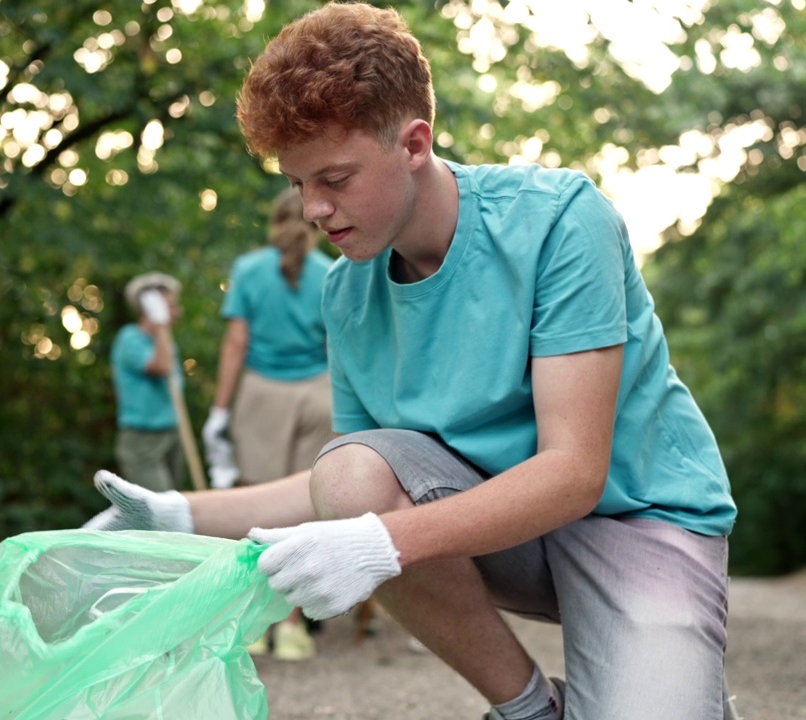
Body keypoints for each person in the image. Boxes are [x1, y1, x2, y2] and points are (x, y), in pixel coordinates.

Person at [86, 4, 738, 719]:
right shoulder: (348, 291)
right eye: (299, 183)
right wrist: (175, 514)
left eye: (334, 178)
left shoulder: (559, 222)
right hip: (496, 533)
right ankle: (528, 710)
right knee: (352, 466)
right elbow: (343, 486)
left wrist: (374, 543)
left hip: (637, 521)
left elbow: (574, 473)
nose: (312, 209)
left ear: (415, 143)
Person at [201, 187, 336, 661]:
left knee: (255, 508)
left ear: (273, 221)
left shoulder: (248, 270)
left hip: (260, 395)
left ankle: (255, 625)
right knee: (305, 509)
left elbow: (236, 343)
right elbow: (340, 346)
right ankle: (293, 629)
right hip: (320, 395)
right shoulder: (330, 273)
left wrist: (220, 410)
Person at [107, 272, 185, 493]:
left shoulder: (166, 341)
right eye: (170, 306)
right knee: (160, 512)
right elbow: (161, 367)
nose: (177, 312)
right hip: (143, 438)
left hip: (170, 432)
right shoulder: (130, 338)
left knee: (174, 502)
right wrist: (160, 325)